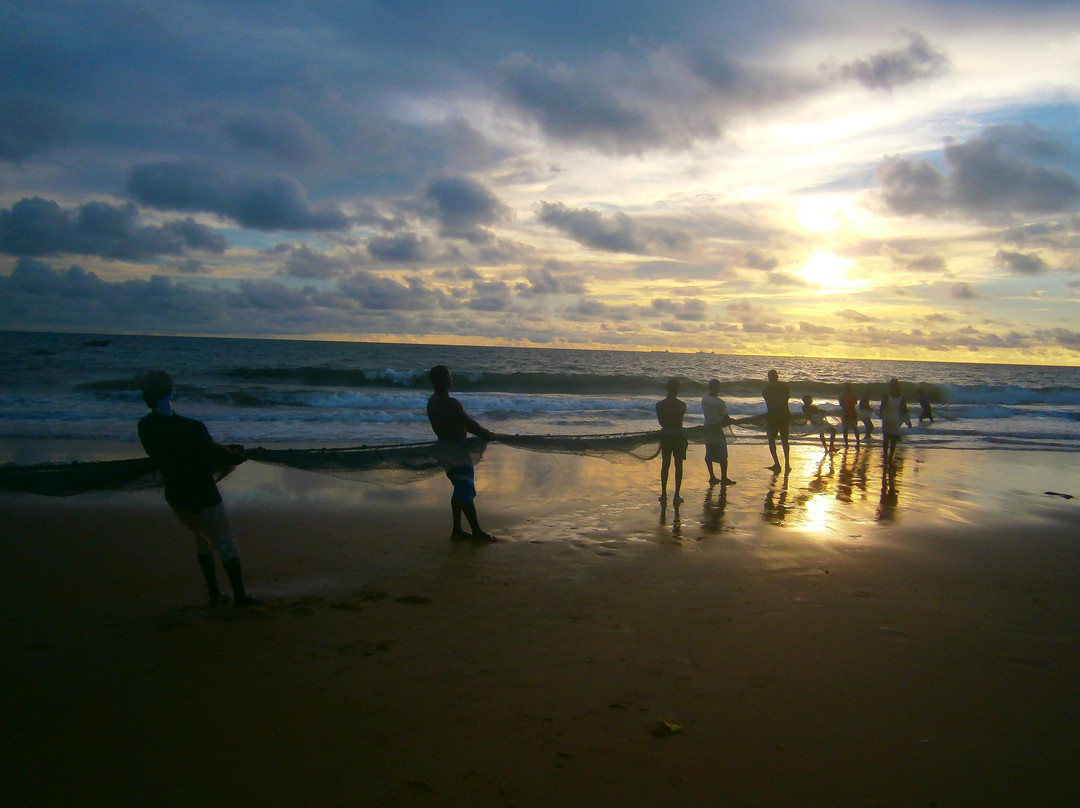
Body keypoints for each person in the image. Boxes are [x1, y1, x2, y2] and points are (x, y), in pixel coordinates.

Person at [137, 370, 260, 607]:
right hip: (203, 495)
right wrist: (236, 456)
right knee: (225, 542)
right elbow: (217, 452)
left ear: (148, 398)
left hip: (176, 497)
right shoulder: (193, 427)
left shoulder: (146, 427)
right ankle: (241, 597)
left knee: (201, 540)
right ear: (172, 394)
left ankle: (214, 594)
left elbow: (158, 453)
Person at [427, 365, 496, 541]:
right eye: (449, 376)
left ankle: (457, 530)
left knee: (459, 489)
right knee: (465, 490)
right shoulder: (450, 403)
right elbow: (469, 424)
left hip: (443, 450)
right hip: (457, 453)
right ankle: (477, 532)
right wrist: (486, 433)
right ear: (444, 380)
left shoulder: (432, 401)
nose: (452, 379)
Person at [656, 377, 688, 504]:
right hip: (678, 435)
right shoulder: (682, 405)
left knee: (665, 464)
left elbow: (661, 422)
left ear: (667, 389)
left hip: (665, 435)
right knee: (678, 465)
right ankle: (676, 495)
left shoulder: (659, 405)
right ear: (678, 390)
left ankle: (663, 494)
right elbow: (679, 421)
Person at [701, 378, 736, 487]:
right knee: (723, 454)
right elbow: (724, 417)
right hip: (716, 430)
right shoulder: (720, 403)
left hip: (707, 428)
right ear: (718, 388)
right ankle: (724, 477)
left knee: (709, 452)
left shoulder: (704, 399)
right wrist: (731, 420)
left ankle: (712, 476)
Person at [763, 369, 791, 471]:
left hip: (772, 417)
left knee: (771, 440)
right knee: (785, 441)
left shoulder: (766, 390)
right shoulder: (785, 387)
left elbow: (769, 404)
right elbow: (786, 400)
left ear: (769, 378)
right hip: (784, 416)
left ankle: (777, 464)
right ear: (777, 376)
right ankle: (787, 464)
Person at [878, 378, 908, 466]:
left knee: (886, 440)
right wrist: (906, 419)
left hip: (887, 418)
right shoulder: (901, 396)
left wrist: (880, 414)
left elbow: (882, 407)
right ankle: (890, 458)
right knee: (893, 441)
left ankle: (885, 457)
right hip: (896, 419)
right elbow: (904, 409)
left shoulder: (885, 395)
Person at [838, 383, 861, 449]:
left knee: (845, 429)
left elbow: (842, 405)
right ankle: (857, 442)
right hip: (853, 413)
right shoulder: (854, 396)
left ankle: (846, 443)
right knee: (855, 428)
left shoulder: (841, 397)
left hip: (846, 413)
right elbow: (855, 403)